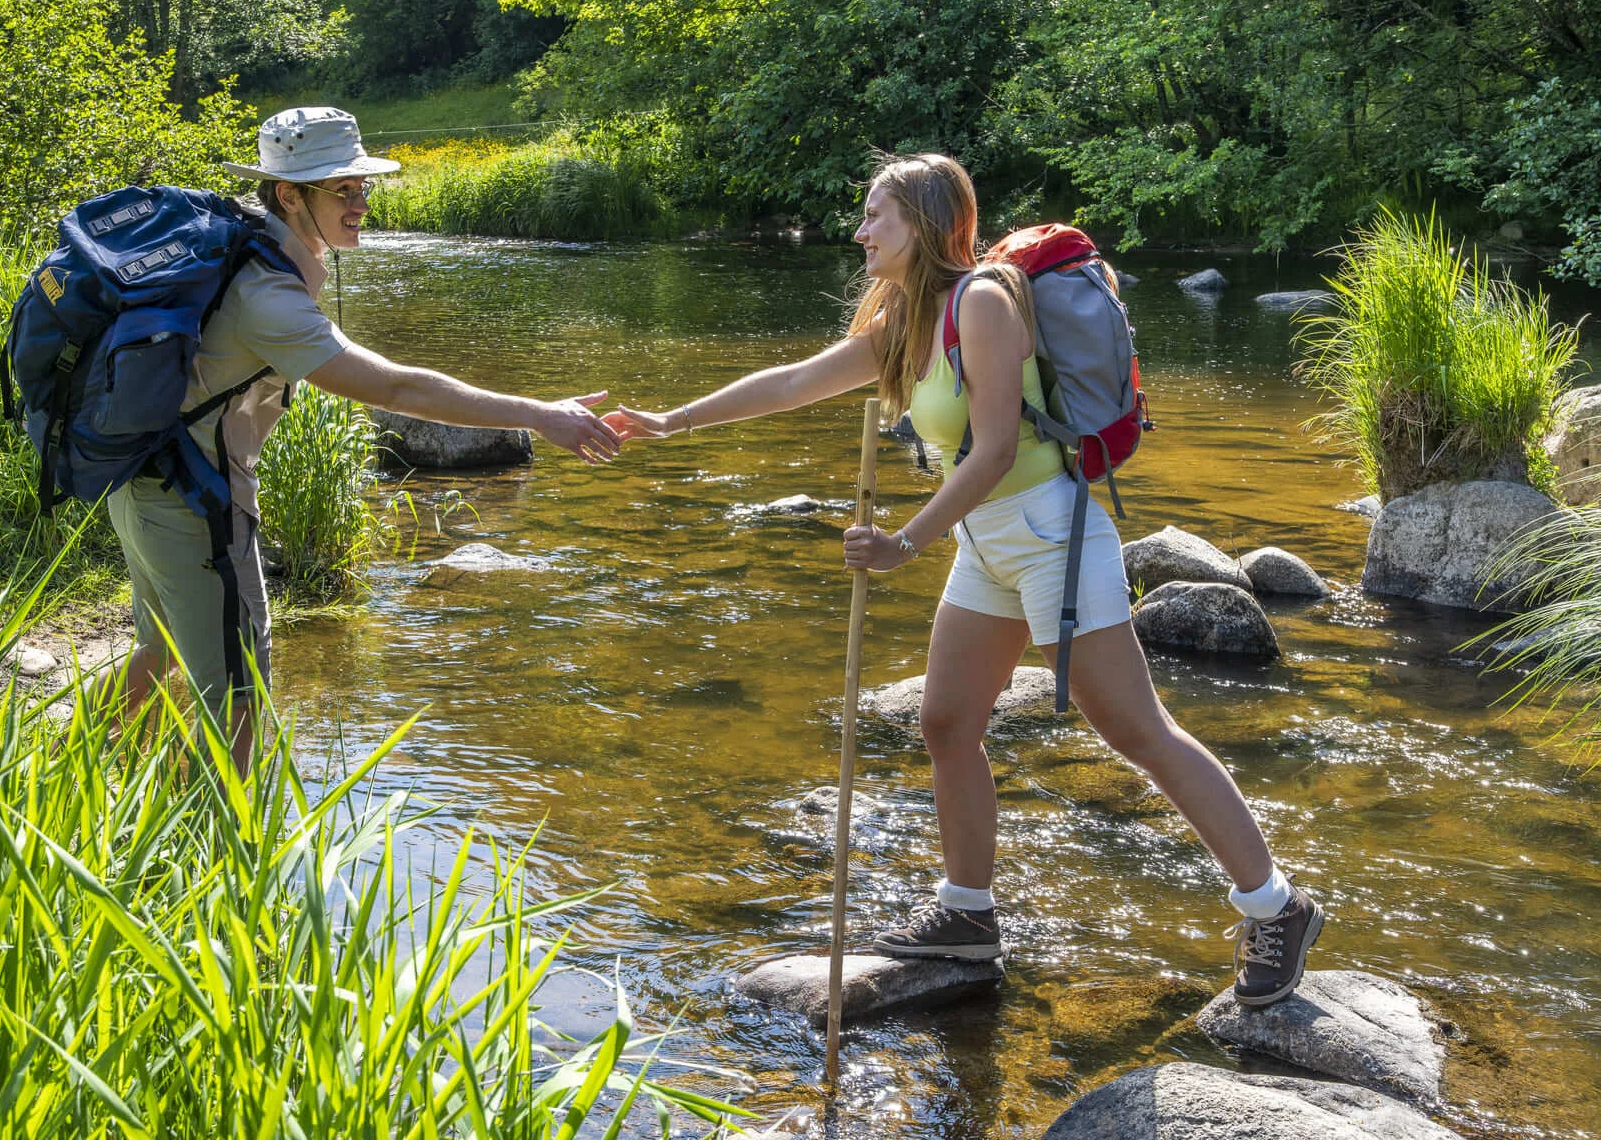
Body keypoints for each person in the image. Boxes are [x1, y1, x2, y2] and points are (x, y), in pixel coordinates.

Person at [605, 153, 1322, 1006]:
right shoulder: (908, 320)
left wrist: (905, 543)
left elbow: (993, 450)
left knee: (1135, 729)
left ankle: (1275, 905)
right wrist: (671, 421)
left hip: (1051, 536)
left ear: (931, 223)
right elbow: (799, 381)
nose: (861, 230)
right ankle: (968, 915)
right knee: (946, 722)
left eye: (878, 215)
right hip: (988, 542)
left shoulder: (981, 303)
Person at [100, 106, 622, 770]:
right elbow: (400, 389)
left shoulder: (243, 244)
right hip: (195, 501)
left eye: (363, 185)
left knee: (162, 647)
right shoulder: (265, 295)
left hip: (145, 480)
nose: (361, 202)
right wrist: (538, 414)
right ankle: (225, 848)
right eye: (341, 189)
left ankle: (59, 766)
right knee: (238, 686)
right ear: (289, 194)